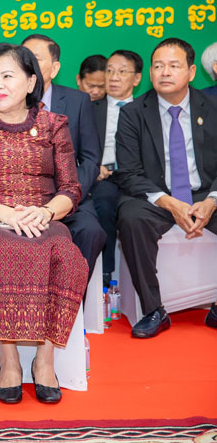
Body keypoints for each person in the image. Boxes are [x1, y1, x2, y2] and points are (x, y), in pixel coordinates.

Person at [0, 43, 87, 405]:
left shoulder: (54, 124)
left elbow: (70, 189)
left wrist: (45, 213)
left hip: (43, 216)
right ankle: (8, 357)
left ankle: (45, 358)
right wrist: (6, 214)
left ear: (30, 82)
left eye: (7, 76)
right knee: (0, 248)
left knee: (65, 254)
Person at [115, 38, 217, 337]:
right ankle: (154, 310)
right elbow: (128, 173)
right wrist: (171, 203)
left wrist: (212, 200)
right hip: (156, 197)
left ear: (191, 72)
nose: (165, 72)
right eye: (158, 66)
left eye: (173, 66)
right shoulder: (133, 113)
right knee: (131, 217)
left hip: (205, 192)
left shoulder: (213, 107)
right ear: (150, 73)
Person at [22, 34, 105, 282]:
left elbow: (90, 158)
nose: (27, 64)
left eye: (35, 59)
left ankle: (73, 297)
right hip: (22, 199)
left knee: (90, 231)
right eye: (23, 58)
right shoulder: (8, 101)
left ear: (55, 67)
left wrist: (69, 195)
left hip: (69, 194)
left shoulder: (77, 101)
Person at [90, 50, 142, 285]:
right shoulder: (90, 108)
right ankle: (106, 273)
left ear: (137, 78)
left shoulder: (146, 110)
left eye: (122, 71)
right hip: (105, 177)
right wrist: (95, 167)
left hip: (138, 177)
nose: (113, 77)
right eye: (109, 71)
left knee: (138, 212)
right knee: (103, 203)